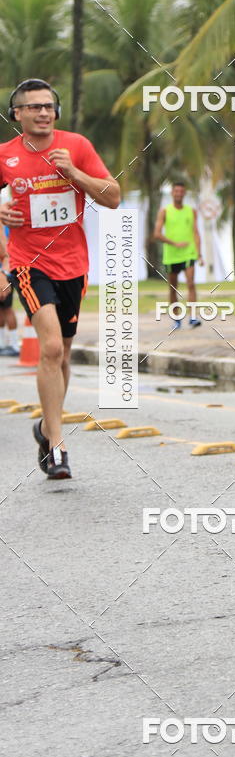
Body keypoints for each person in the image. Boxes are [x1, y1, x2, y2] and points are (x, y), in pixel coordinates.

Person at [0, 78, 120, 479]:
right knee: (50, 347)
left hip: (73, 264)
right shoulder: (5, 156)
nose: (43, 113)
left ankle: (45, 427)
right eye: (34, 107)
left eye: (49, 106)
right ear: (17, 114)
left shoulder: (77, 147)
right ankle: (57, 444)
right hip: (28, 263)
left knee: (63, 355)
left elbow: (112, 195)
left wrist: (75, 174)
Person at [153, 182, 203, 328]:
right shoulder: (165, 211)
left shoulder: (191, 211)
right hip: (172, 255)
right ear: (172, 193)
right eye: (176, 191)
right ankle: (176, 319)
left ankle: (193, 317)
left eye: (181, 191)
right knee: (173, 288)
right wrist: (174, 243)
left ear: (184, 193)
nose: (179, 194)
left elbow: (195, 232)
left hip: (189, 253)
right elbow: (157, 234)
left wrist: (199, 253)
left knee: (191, 284)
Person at [0, 225, 19, 356]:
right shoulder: (7, 224)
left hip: (5, 274)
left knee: (7, 308)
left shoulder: (4, 226)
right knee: (3, 308)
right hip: (6, 272)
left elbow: (7, 253)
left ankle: (14, 344)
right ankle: (2, 343)